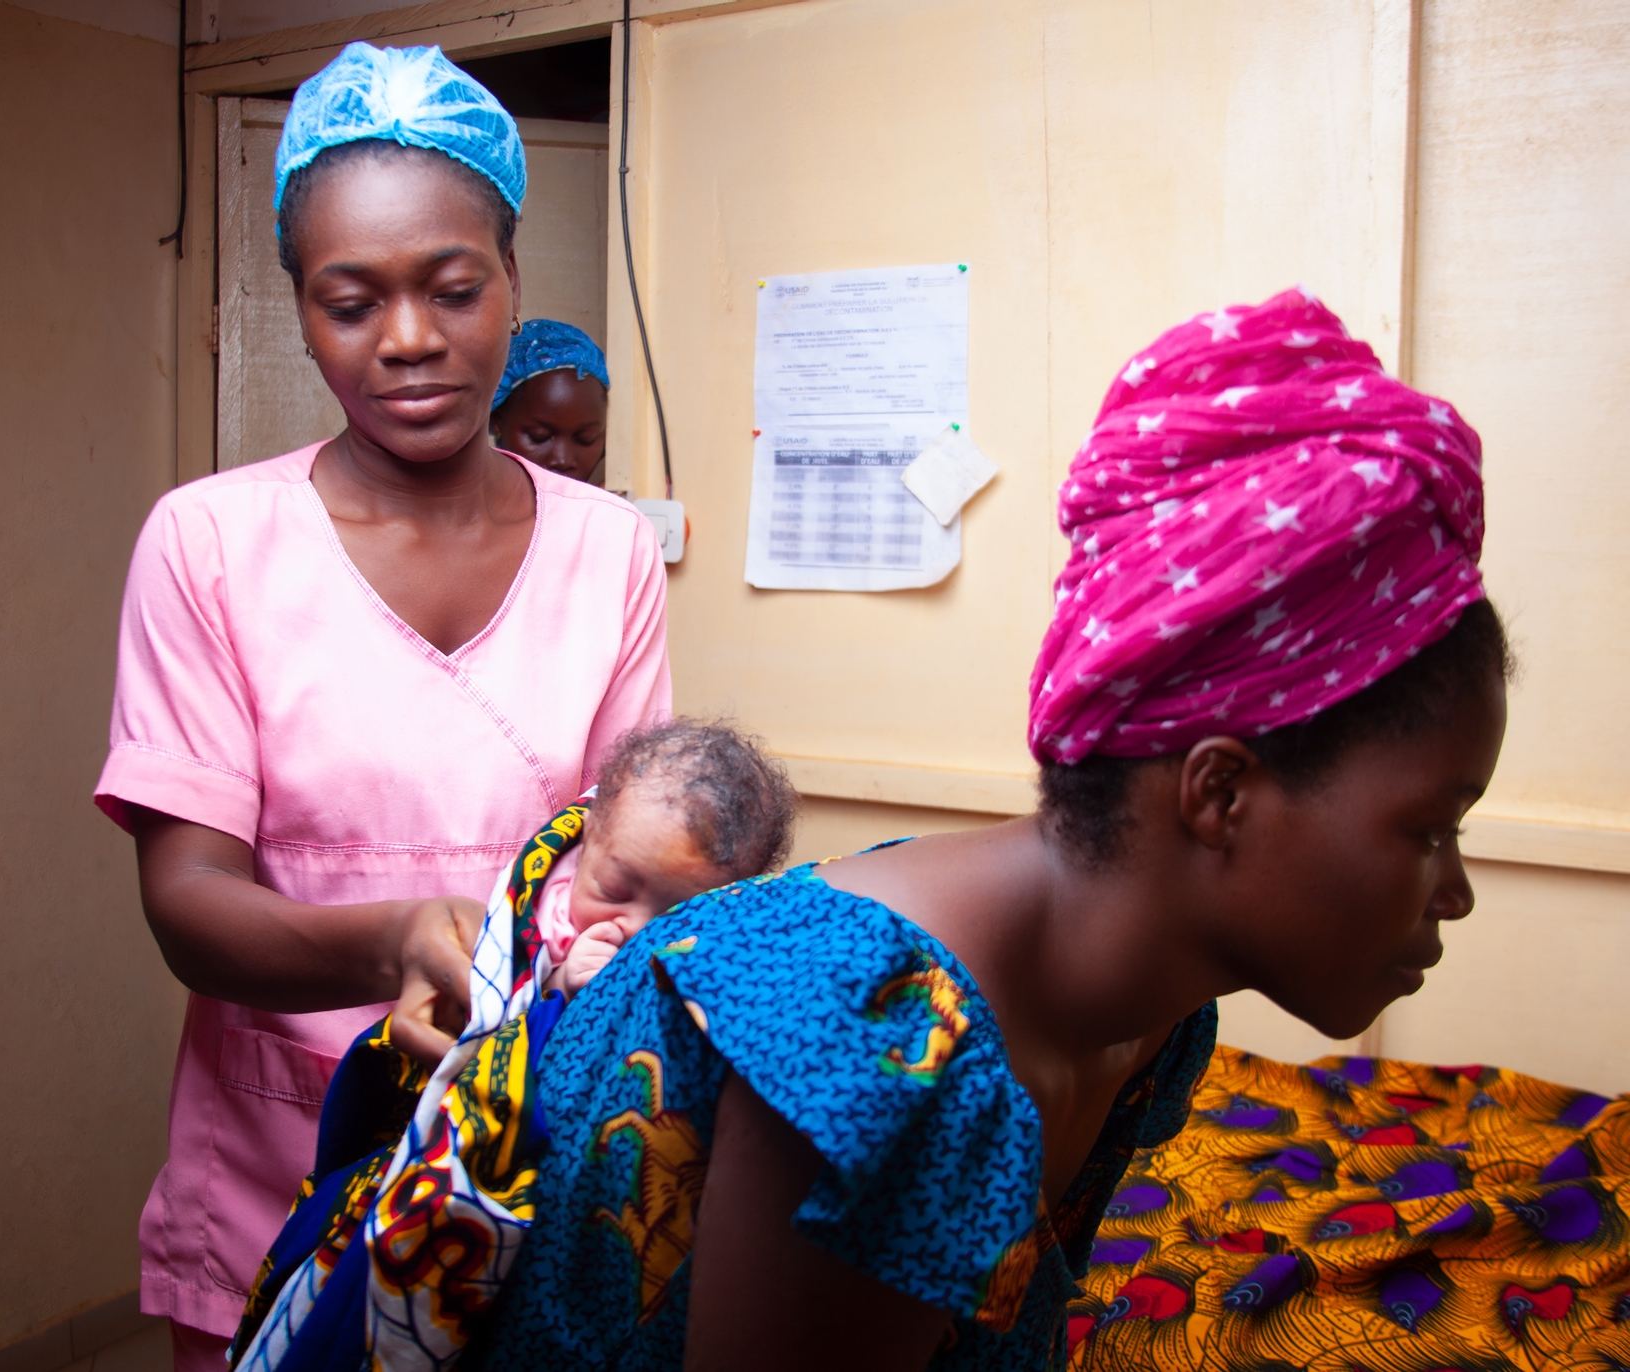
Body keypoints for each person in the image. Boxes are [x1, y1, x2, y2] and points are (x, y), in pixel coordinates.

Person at [466, 287, 1509, 1371]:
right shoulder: (884, 1046)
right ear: (1220, 795)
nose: (1456, 890)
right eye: (1432, 828)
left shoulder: (1154, 1015)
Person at [93, 43, 671, 1371]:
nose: (407, 340)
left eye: (453, 288)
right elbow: (187, 899)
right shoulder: (211, 546)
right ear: (298, 305)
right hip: (273, 1183)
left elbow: (633, 863)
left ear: (512, 280)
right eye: (350, 302)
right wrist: (395, 944)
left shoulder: (609, 551)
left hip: (521, 1172)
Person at [535, 719, 798, 998]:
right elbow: (507, 1014)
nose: (637, 929)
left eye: (681, 914)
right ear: (586, 841)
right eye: (615, 891)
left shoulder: (734, 942)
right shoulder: (545, 912)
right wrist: (559, 983)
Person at [488, 318, 609, 484]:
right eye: (539, 436)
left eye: (586, 438)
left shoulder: (609, 509)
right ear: (497, 420)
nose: (562, 460)